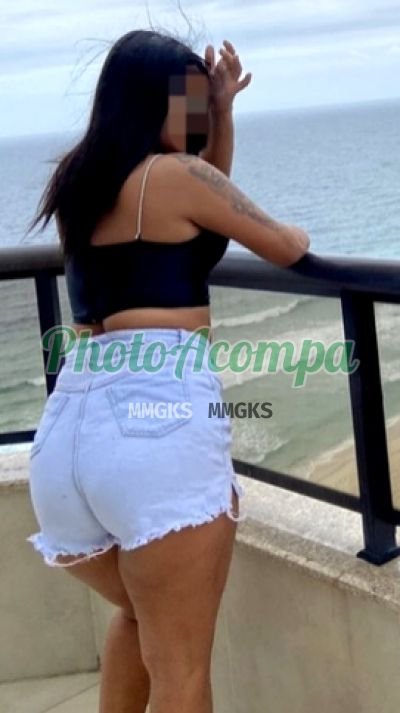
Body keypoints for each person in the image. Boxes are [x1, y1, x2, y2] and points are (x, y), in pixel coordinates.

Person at [25, 29, 310, 713]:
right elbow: (282, 244)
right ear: (153, 99)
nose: (198, 115)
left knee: (138, 616)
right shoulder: (176, 177)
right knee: (182, 670)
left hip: (70, 436)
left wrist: (224, 113)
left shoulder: (80, 181)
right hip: (153, 427)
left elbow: (201, 223)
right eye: (190, 102)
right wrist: (297, 232)